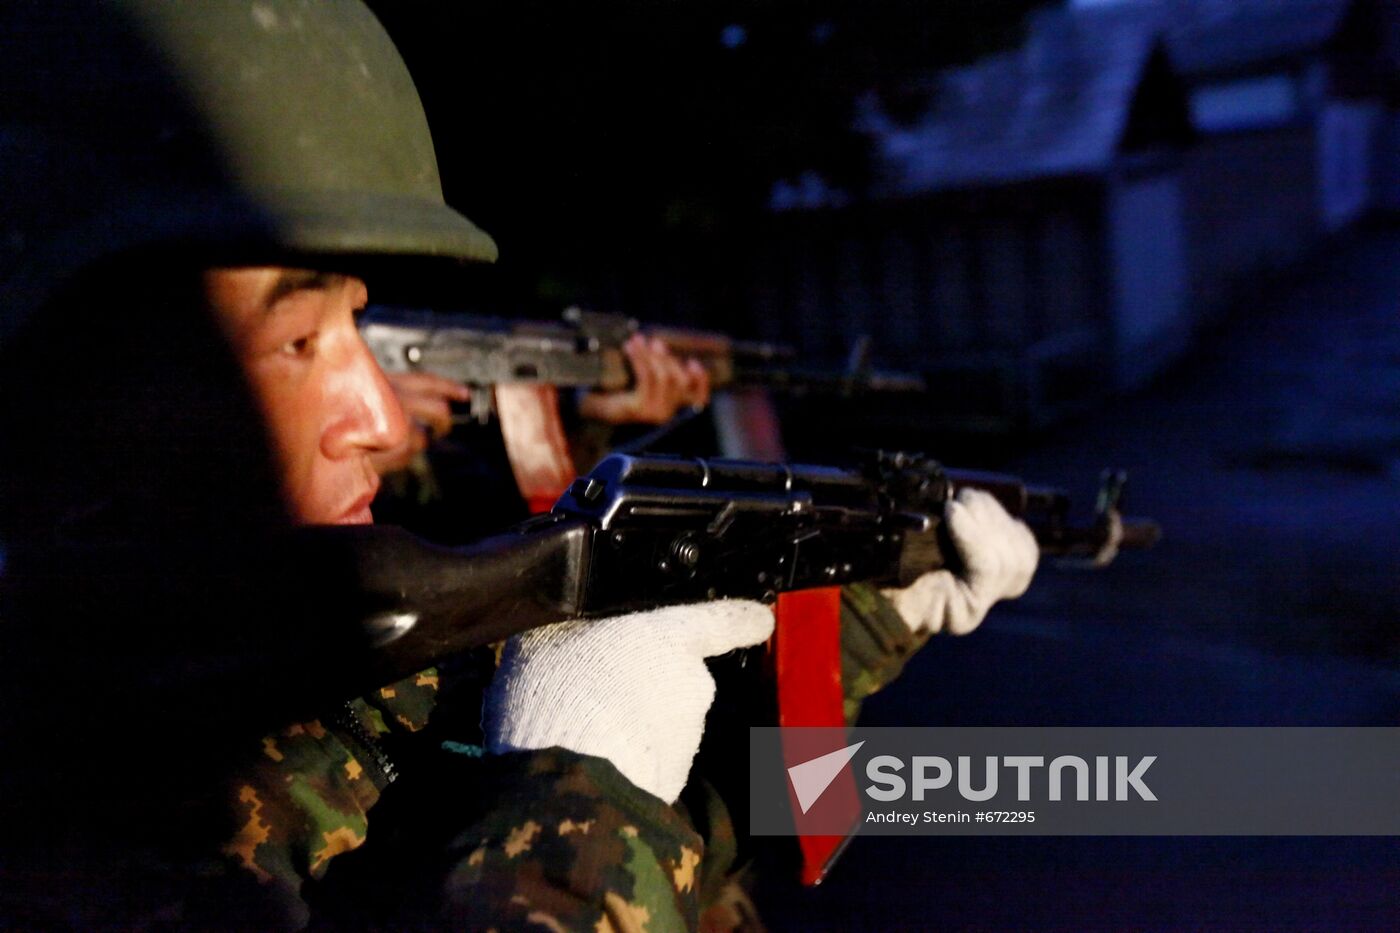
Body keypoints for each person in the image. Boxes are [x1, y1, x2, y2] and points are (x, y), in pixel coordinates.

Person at [0, 2, 1037, 929]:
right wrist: (571, 800)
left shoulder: (307, 677)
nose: (375, 415)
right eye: (294, 344)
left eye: (360, 331)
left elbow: (685, 858)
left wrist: (849, 630)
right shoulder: (73, 832)